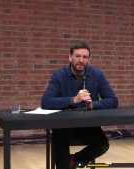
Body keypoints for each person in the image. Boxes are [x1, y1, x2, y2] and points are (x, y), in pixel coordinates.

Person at [41, 40, 118, 169]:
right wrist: (73, 100)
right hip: (63, 125)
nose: (81, 60)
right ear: (70, 57)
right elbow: (46, 102)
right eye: (77, 56)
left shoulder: (97, 75)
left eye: (85, 57)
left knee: (102, 144)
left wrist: (93, 105)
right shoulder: (59, 75)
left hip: (87, 124)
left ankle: (73, 160)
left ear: (88, 59)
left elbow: (113, 100)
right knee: (59, 142)